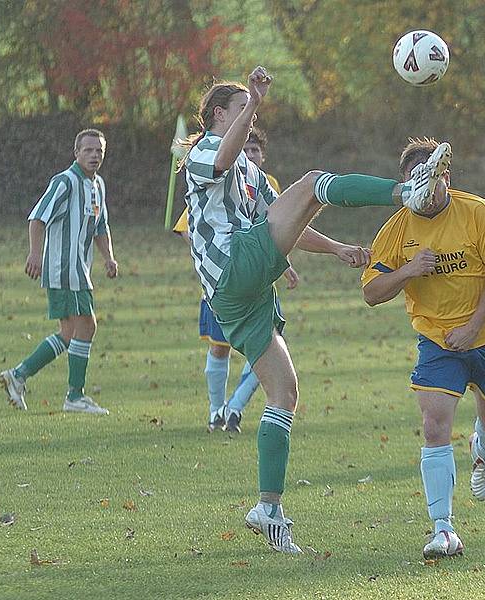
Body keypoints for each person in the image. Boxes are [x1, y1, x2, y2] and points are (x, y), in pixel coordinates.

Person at [181, 67, 451, 554]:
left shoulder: (252, 173)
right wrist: (256, 103)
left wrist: (338, 249)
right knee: (312, 181)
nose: (248, 115)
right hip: (233, 268)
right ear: (219, 114)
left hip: (243, 293)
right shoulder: (204, 151)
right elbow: (225, 158)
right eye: (240, 108)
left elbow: (287, 224)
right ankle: (404, 192)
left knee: (284, 392)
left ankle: (268, 508)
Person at [361, 137, 485, 559]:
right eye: (414, 183)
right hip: (436, 339)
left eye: (430, 181)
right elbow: (372, 293)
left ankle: (483, 451)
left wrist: (472, 327)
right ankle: (443, 530)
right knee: (434, 426)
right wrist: (409, 270)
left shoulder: (480, 213)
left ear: (445, 177)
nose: (423, 192)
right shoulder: (398, 228)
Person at [173, 127, 298, 434]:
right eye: (246, 147)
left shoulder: (264, 183)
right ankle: (216, 411)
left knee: (268, 345)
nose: (250, 153)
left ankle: (235, 408)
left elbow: (278, 230)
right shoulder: (214, 180)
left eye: (256, 150)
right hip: (224, 280)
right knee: (220, 347)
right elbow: (189, 228)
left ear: (262, 155)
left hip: (258, 278)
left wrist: (285, 265)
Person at [0, 129, 118, 415]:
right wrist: (35, 254)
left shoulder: (97, 184)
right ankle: (75, 397)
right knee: (87, 327)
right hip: (63, 269)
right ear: (76, 153)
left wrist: (109, 258)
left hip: (80, 269)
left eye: (98, 150)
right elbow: (38, 217)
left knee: (69, 333)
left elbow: (101, 227)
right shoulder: (65, 182)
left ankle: (18, 375)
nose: (94, 155)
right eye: (88, 150)